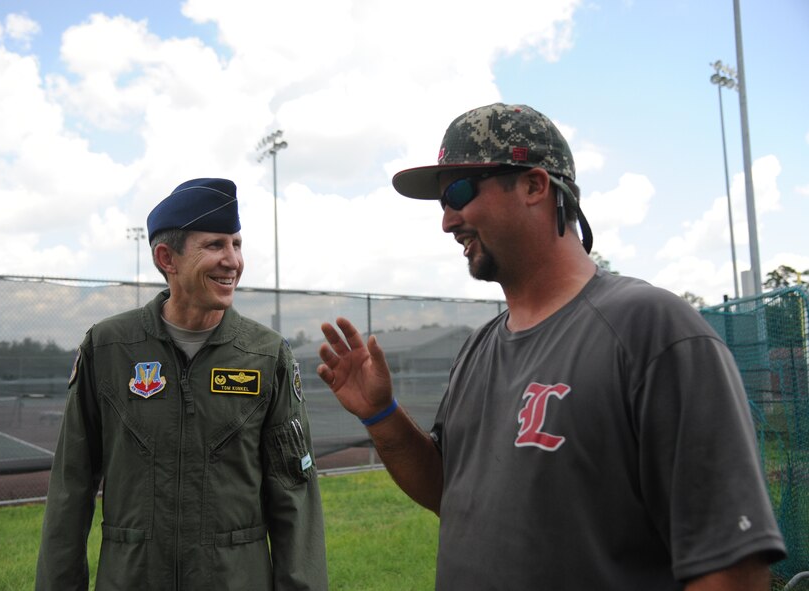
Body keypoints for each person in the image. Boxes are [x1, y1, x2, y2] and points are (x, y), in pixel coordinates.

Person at [317, 103, 786, 590]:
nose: (447, 221)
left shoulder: (652, 329)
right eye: (442, 203)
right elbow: (448, 492)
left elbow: (732, 568)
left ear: (535, 186)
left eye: (459, 191)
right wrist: (380, 415)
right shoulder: (478, 349)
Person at [36, 178, 328, 590]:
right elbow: (71, 487)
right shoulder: (109, 349)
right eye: (215, 245)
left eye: (237, 244)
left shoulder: (267, 355)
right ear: (166, 257)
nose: (233, 261)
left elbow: (294, 499)